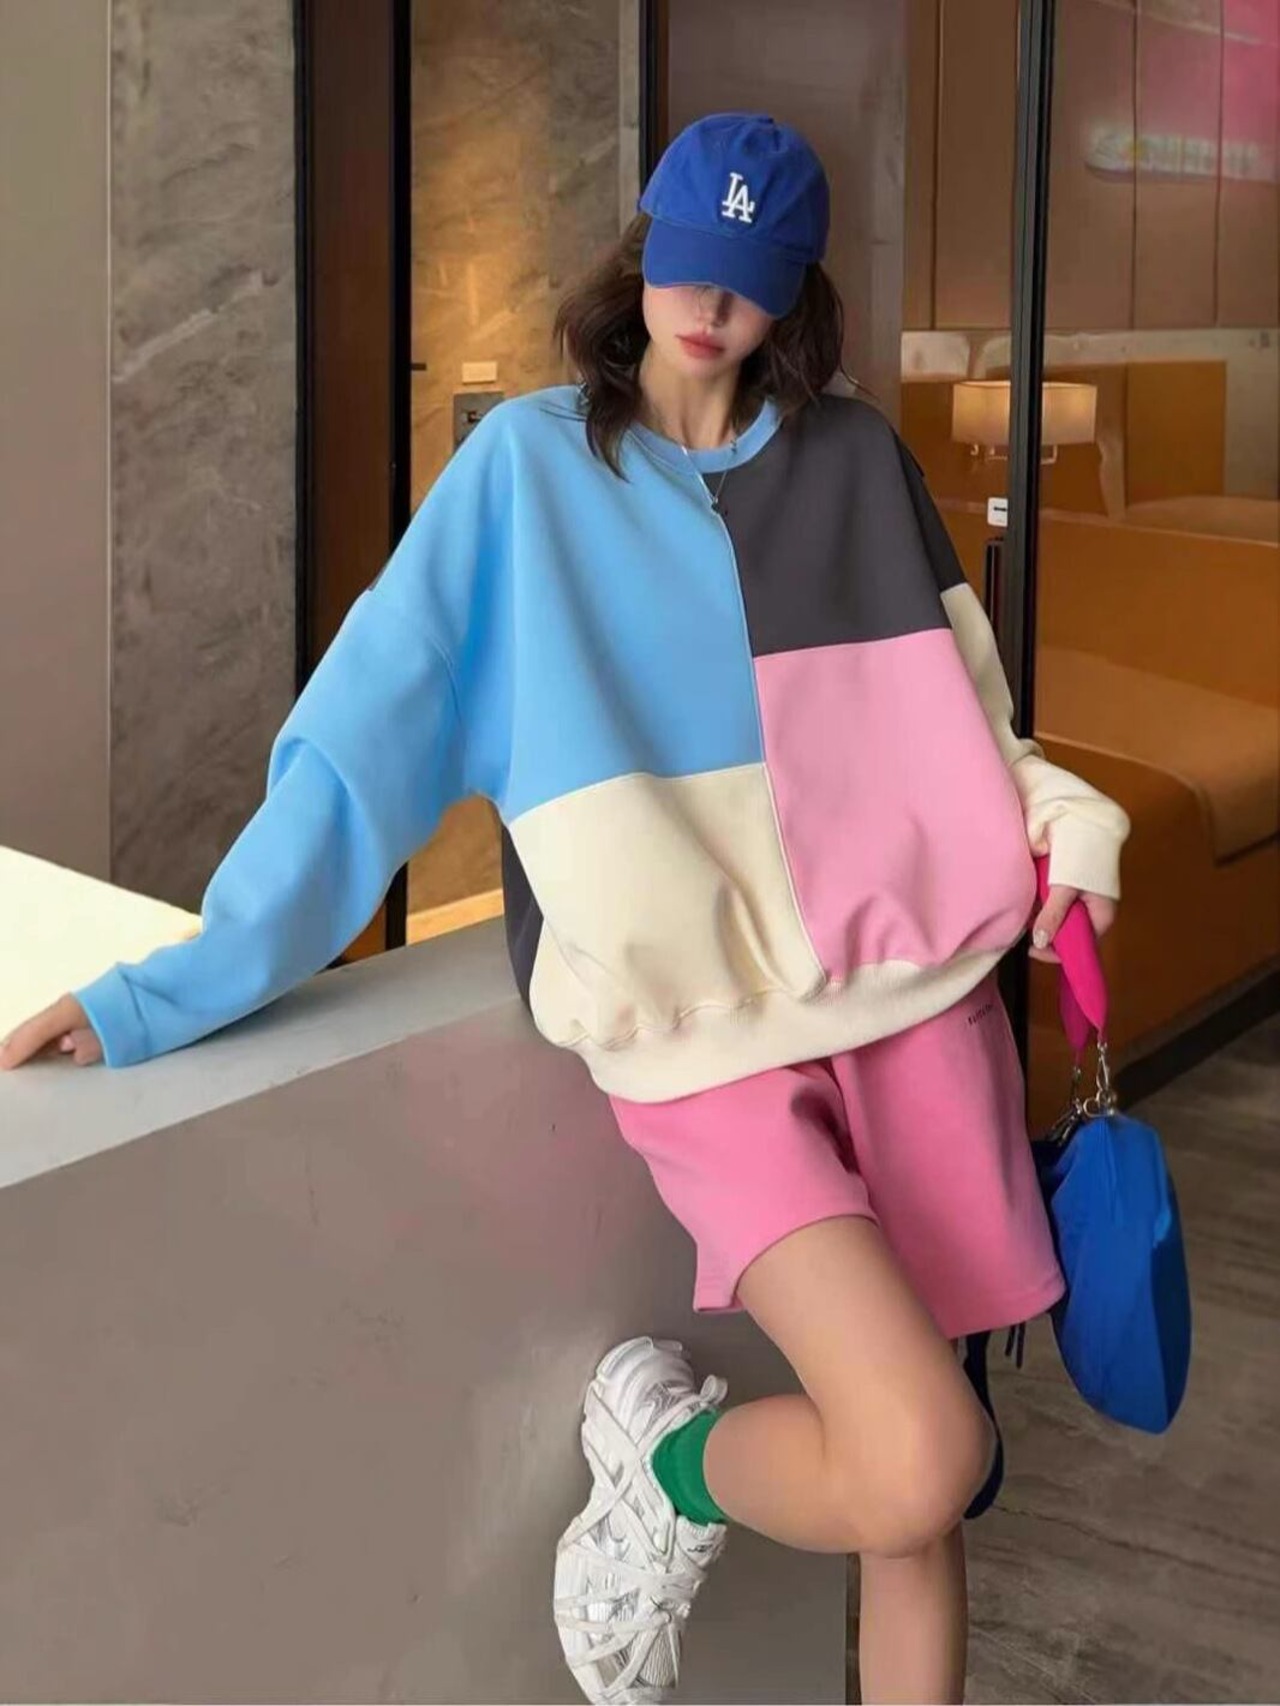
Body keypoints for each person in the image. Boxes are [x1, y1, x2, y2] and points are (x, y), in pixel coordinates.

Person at [1, 112, 1129, 1704]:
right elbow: (361, 749)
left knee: (924, 1516)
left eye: (747, 278)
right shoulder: (528, 472)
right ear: (642, 248)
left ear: (795, 289)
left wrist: (1065, 822)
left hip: (918, 1008)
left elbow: (971, 725)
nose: (707, 307)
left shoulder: (857, 462)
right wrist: (172, 985)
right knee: (919, 1453)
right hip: (703, 1044)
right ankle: (669, 1467)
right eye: (687, 263)